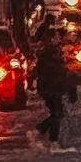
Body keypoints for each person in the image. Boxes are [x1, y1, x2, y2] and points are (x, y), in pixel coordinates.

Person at [32, 16, 73, 144]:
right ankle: (43, 132)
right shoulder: (50, 53)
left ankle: (51, 137)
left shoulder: (53, 51)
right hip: (50, 87)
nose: (59, 39)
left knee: (58, 112)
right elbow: (58, 71)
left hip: (52, 87)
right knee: (57, 113)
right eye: (57, 37)